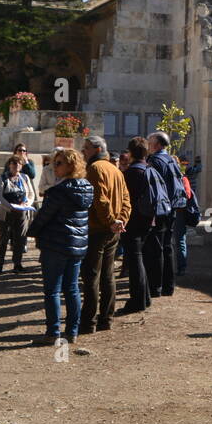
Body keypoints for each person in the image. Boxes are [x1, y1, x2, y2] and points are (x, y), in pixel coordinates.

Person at [26, 148, 94, 345]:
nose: (54, 167)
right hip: (76, 244)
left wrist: (32, 232)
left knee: (53, 290)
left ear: (71, 165)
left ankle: (53, 332)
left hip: (56, 244)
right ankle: (72, 330)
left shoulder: (59, 191)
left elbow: (44, 216)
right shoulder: (86, 188)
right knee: (72, 289)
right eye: (54, 163)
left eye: (59, 163)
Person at [79, 135, 130, 333]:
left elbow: (99, 200)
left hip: (99, 230)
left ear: (97, 149)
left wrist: (112, 221)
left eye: (87, 148)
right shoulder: (115, 169)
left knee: (92, 276)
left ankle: (89, 321)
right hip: (112, 230)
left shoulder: (95, 168)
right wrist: (120, 220)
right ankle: (106, 318)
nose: (84, 151)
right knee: (108, 276)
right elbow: (126, 199)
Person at [119, 135, 169, 313]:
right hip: (150, 219)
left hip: (134, 222)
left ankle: (137, 301)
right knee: (142, 259)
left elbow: (125, 200)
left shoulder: (132, 173)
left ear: (131, 152)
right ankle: (145, 297)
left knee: (135, 261)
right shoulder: (150, 169)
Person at [144, 131, 188, 297]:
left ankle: (156, 286)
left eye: (150, 142)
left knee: (156, 248)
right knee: (168, 246)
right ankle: (169, 285)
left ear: (157, 145)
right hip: (173, 208)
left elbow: (153, 187)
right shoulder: (171, 160)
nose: (148, 145)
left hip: (160, 210)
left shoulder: (155, 161)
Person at [0, 155, 36, 274]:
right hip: (6, 213)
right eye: (14, 163)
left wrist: (26, 204)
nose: (16, 165)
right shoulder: (2, 178)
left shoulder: (25, 177)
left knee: (20, 239)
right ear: (9, 165)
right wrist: (10, 206)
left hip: (22, 212)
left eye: (19, 163)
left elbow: (31, 194)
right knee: (3, 240)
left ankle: (17, 264)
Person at [174, 159, 195, 276]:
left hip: (179, 212)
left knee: (180, 241)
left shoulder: (183, 179)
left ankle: (182, 267)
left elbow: (188, 195)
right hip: (171, 212)